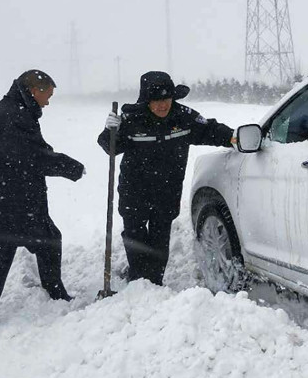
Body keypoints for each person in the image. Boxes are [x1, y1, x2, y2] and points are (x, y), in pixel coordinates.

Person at [0, 70, 85, 347]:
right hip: (1, 207)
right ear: (34, 89)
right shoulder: (15, 115)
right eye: (48, 95)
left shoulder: (14, 108)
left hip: (13, 202)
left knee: (48, 240)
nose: (48, 102)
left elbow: (29, 152)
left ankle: (54, 290)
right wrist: (68, 166)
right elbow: (33, 158)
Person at [98, 71, 236, 285]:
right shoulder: (131, 119)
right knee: (134, 234)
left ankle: (154, 279)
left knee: (160, 236)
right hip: (134, 190)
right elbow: (110, 148)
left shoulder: (184, 117)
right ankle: (137, 277)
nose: (163, 105)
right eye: (157, 100)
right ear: (146, 100)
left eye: (166, 99)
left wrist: (233, 137)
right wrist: (110, 131)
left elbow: (209, 129)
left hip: (167, 190)